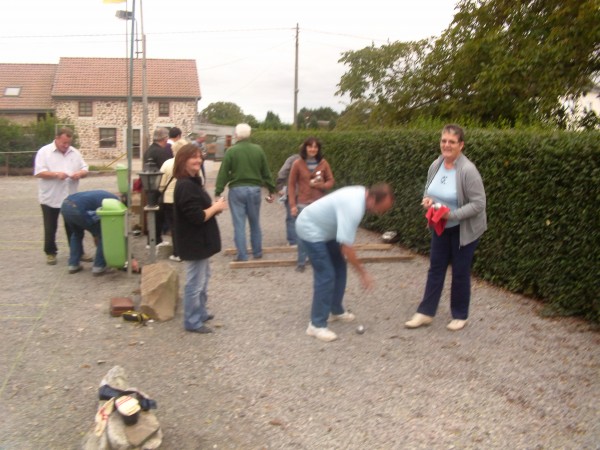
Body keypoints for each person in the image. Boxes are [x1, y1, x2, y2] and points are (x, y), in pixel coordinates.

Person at [405, 124, 487, 332]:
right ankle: (425, 313)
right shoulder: (436, 164)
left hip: (463, 229)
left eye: (452, 142)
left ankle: (460, 315)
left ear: (461, 145)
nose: (446, 145)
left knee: (460, 271)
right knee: (436, 268)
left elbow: (479, 204)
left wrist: (452, 215)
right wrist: (428, 200)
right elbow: (428, 189)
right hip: (441, 226)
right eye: (443, 141)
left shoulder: (468, 170)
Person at [296, 183, 394, 342]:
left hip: (326, 231)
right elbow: (347, 249)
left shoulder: (362, 194)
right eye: (381, 209)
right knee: (326, 274)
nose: (381, 213)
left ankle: (335, 310)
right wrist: (363, 273)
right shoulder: (354, 207)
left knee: (340, 266)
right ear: (373, 198)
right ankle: (316, 325)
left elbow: (344, 245)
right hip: (310, 229)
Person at [173, 144, 228, 333]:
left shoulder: (193, 181)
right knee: (194, 283)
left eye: (199, 157)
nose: (198, 160)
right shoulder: (185, 185)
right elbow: (197, 217)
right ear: (183, 161)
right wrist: (216, 207)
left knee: (203, 279)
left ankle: (201, 312)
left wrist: (212, 206)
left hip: (200, 241)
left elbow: (199, 208)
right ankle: (192, 321)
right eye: (193, 157)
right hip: (193, 242)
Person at [214, 123, 276, 261]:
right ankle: (257, 252)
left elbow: (223, 172)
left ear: (236, 135)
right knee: (255, 222)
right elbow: (266, 172)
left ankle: (242, 255)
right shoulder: (258, 150)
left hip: (237, 190)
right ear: (250, 134)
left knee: (239, 224)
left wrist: (218, 191)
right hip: (254, 190)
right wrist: (271, 190)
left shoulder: (231, 151)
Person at [34, 127, 89, 266]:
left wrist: (80, 174)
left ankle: (77, 252)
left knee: (73, 226)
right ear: (57, 138)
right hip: (50, 197)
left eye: (68, 143)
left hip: (70, 197)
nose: (66, 146)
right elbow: (39, 172)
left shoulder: (75, 153)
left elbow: (85, 168)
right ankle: (50, 252)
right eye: (63, 143)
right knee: (50, 227)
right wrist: (55, 174)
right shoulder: (44, 152)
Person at [288, 137, 335, 272]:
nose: (313, 149)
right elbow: (291, 185)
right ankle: (301, 262)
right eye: (310, 147)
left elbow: (331, 181)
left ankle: (314, 259)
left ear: (318, 149)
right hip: (302, 203)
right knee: (302, 233)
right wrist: (292, 205)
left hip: (319, 203)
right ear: (305, 148)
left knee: (317, 233)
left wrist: (323, 185)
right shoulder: (297, 163)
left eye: (315, 147)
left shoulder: (324, 163)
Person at [60, 190, 119, 276]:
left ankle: (73, 265)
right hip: (78, 208)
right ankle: (99, 266)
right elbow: (109, 221)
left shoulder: (103, 194)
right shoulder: (114, 202)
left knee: (76, 234)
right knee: (104, 235)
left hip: (65, 206)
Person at [143, 127, 172, 247]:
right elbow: (166, 169)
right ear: (164, 138)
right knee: (158, 215)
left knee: (153, 214)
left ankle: (153, 239)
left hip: (148, 185)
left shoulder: (149, 150)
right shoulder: (161, 152)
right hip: (158, 186)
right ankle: (155, 240)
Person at [275, 152, 301, 246]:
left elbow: (282, 172)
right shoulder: (314, 161)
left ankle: (292, 241)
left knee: (291, 217)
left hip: (292, 191)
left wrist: (279, 186)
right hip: (307, 193)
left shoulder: (292, 159)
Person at [159, 156, 180, 262]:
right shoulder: (190, 162)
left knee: (174, 227)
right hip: (185, 197)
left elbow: (161, 183)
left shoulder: (167, 163)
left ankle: (178, 253)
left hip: (169, 198)